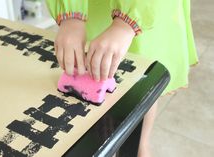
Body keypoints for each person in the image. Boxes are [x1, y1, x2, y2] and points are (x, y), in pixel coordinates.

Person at [46, 0, 198, 156]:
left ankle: (140, 144)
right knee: (96, 59)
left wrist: (125, 25)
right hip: (94, 8)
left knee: (143, 76)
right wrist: (71, 17)